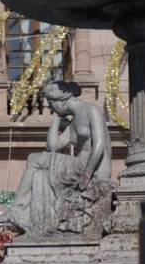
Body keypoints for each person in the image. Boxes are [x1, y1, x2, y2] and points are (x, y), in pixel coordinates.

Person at [6, 80, 112, 237]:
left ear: (62, 99)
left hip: (93, 167)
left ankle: (17, 206)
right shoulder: (74, 121)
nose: (50, 107)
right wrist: (56, 119)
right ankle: (33, 218)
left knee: (34, 159)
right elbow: (53, 146)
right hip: (79, 166)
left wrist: (88, 173)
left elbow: (100, 145)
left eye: (51, 103)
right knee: (39, 173)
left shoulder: (92, 110)